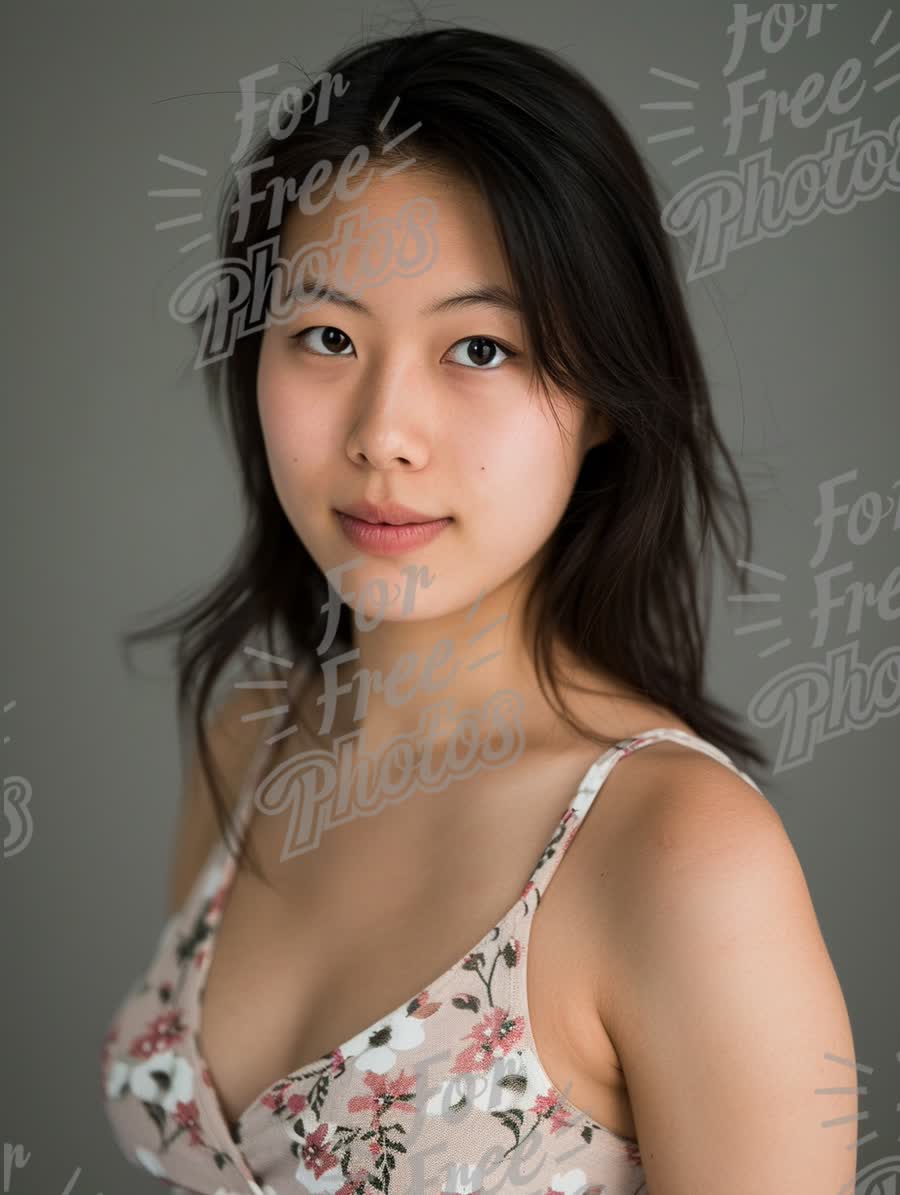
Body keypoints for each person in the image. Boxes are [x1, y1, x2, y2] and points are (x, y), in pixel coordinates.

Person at [101, 21, 857, 1195]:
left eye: (483, 349)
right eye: (328, 336)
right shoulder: (246, 747)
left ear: (604, 392)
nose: (383, 435)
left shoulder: (679, 856)